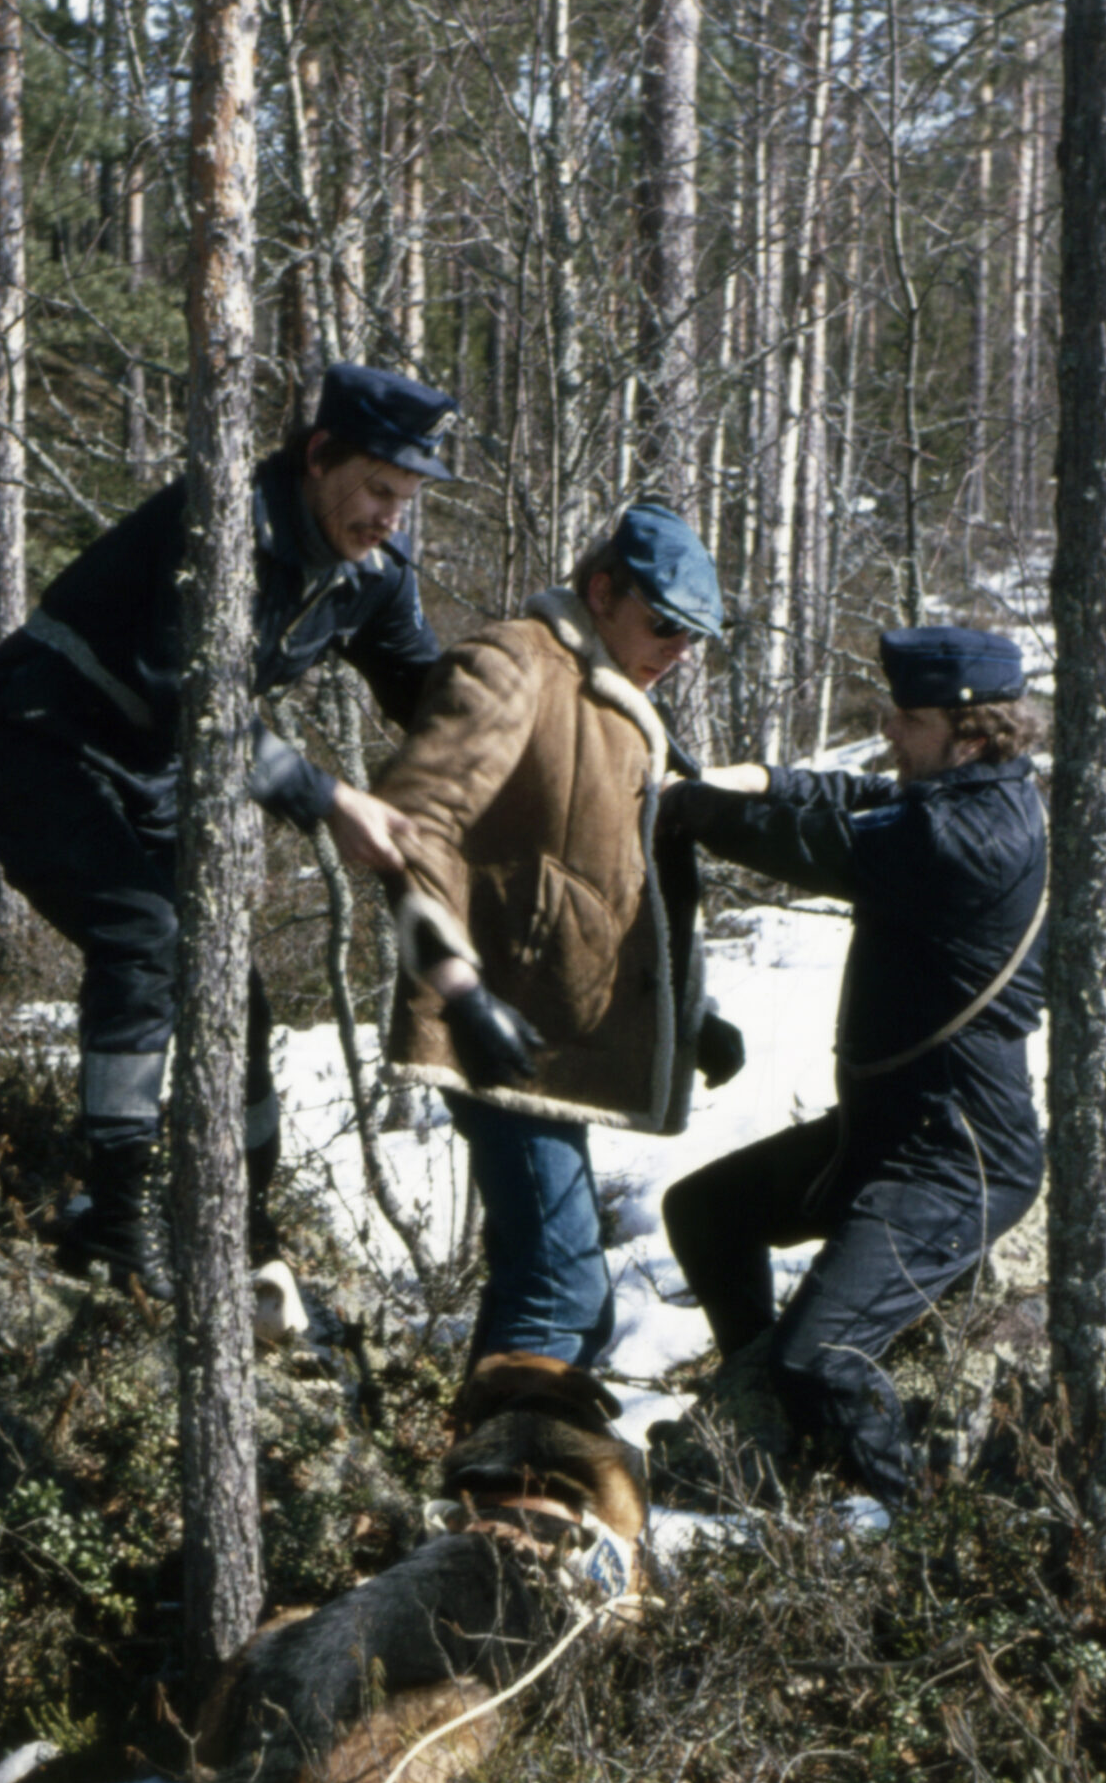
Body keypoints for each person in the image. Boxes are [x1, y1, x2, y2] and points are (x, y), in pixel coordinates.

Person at [0, 362, 457, 1300]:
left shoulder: (369, 574)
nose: (392, 516)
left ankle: (245, 1223)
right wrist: (327, 798)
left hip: (153, 767)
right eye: (380, 488)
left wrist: (536, 728)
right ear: (317, 457)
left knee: (235, 988)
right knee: (141, 938)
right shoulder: (218, 525)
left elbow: (429, 694)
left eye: (410, 496)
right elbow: (197, 703)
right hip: (35, 735)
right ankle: (115, 1221)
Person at [658, 625, 1047, 1513]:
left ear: (972, 730)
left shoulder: (960, 838)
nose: (888, 732)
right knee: (704, 1214)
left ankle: (910, 1531)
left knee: (821, 1356)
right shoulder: (971, 792)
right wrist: (761, 776)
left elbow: (817, 843)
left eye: (902, 718)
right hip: (889, 1137)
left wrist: (693, 808)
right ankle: (768, 1422)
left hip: (956, 1165)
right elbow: (859, 797)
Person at [374, 500, 744, 1371]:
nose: (676, 652)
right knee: (566, 1298)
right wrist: (458, 991)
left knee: (535, 1285)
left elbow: (632, 886)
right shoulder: (517, 664)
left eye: (693, 637)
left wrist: (697, 1012)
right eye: (663, 625)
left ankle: (488, 1477)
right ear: (602, 589)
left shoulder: (615, 691)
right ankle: (520, 1493)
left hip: (550, 1041)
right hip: (500, 1026)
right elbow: (412, 822)